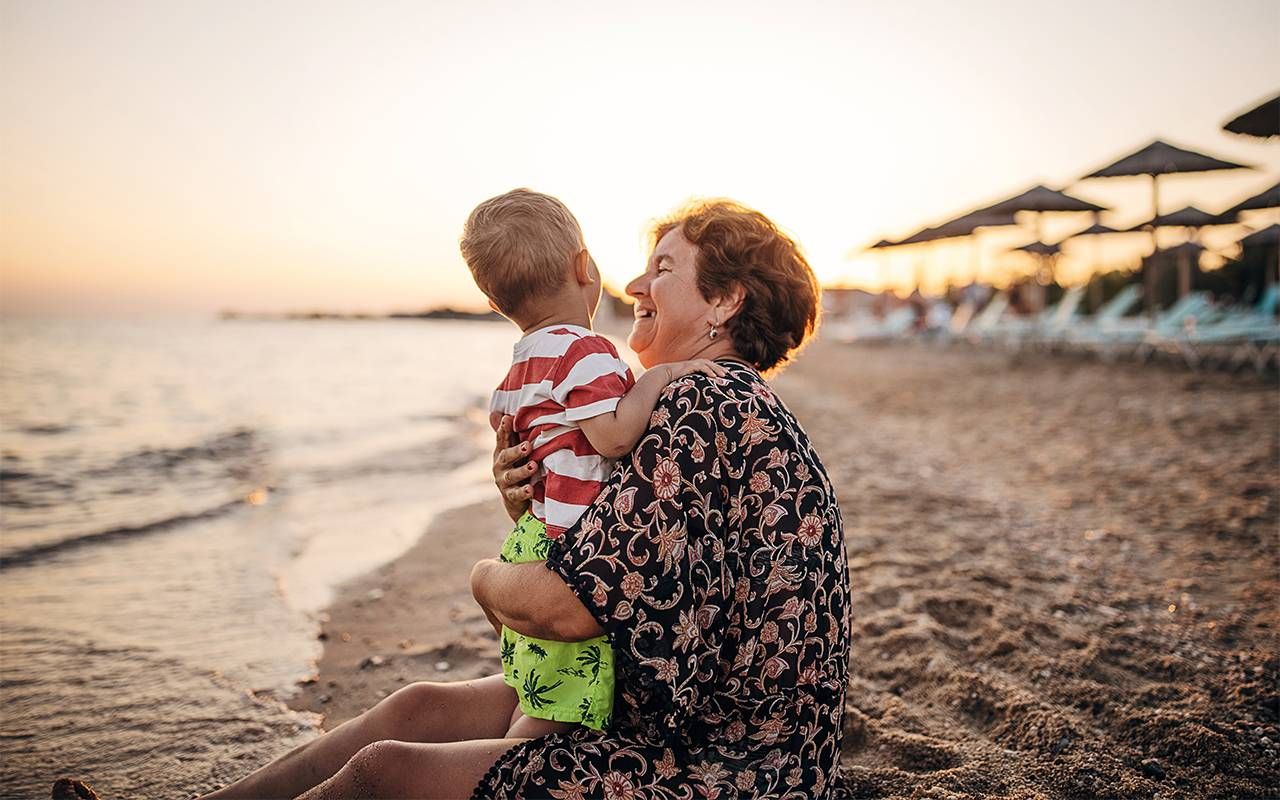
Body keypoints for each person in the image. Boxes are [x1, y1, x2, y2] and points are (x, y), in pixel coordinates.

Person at [186, 198, 849, 800]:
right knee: (414, 708)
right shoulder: (708, 402)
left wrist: (485, 577)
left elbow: (565, 612)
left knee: (384, 772)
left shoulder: (701, 399)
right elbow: (612, 591)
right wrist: (532, 513)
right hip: (663, 697)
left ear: (724, 301)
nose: (634, 287)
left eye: (663, 269)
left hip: (727, 760)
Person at [459, 188, 724, 739]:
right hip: (575, 548)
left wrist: (517, 494)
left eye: (664, 267)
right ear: (586, 266)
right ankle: (511, 762)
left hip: (536, 539)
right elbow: (611, 438)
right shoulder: (585, 351)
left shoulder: (516, 370)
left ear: (494, 302)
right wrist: (658, 377)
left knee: (538, 684)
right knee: (555, 711)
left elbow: (520, 446)